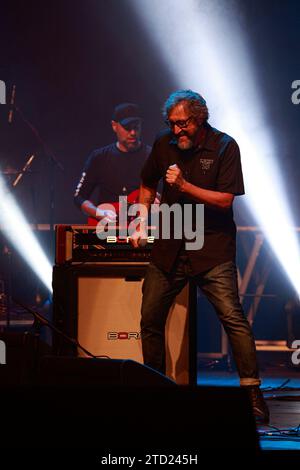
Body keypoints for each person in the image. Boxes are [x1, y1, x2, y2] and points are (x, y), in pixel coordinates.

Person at [132, 89, 269, 424]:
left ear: (200, 118)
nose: (177, 130)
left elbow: (225, 200)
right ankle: (156, 391)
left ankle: (252, 394)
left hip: (212, 248)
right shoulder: (163, 143)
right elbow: (147, 181)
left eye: (184, 124)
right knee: (150, 319)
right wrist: (142, 216)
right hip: (169, 246)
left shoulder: (225, 146)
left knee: (232, 319)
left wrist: (184, 186)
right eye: (173, 124)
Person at [74, 103, 151, 221]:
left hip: (140, 227)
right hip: (107, 226)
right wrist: (99, 213)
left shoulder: (151, 156)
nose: (133, 133)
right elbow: (79, 197)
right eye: (127, 127)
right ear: (114, 126)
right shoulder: (99, 157)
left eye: (136, 127)